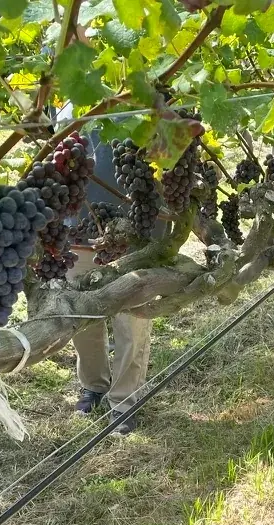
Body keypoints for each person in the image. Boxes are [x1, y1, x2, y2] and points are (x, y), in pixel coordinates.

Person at [65, 117, 159, 437]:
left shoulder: (148, 105)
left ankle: (124, 400)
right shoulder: (69, 102)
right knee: (82, 317)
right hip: (78, 233)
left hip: (131, 234)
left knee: (131, 322)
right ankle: (94, 385)